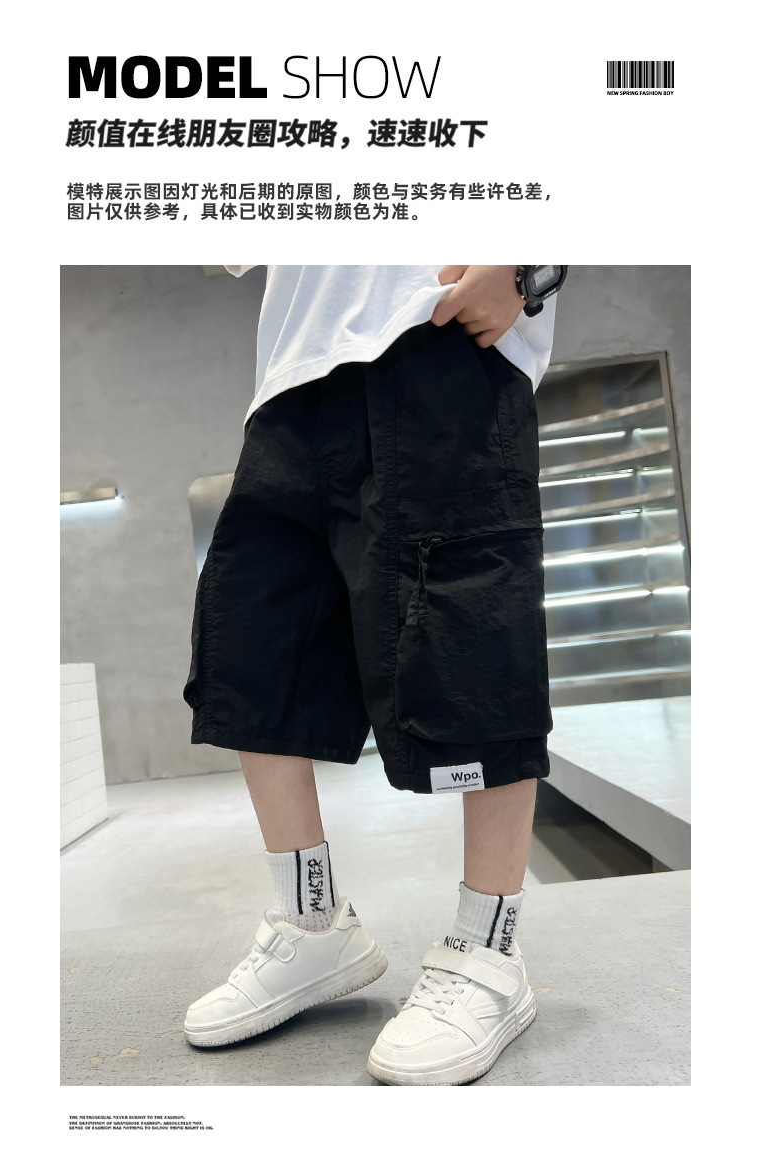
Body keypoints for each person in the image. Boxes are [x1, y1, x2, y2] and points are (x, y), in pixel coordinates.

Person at [182, 264, 565, 1086]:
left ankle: (489, 949)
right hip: (290, 379)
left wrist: (531, 263)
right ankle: (313, 924)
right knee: (251, 650)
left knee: (470, 641)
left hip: (439, 337)